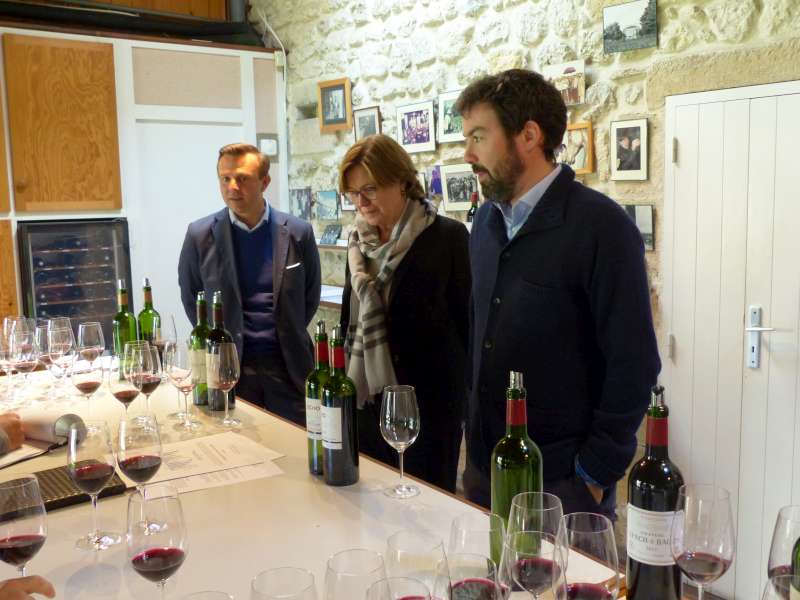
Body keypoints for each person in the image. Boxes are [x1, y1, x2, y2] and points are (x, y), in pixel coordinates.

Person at [456, 69, 660, 519]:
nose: (467, 153)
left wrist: (593, 474)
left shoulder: (602, 229)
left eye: (478, 136)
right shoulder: (485, 224)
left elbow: (635, 362)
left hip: (562, 484)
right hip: (485, 472)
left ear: (528, 135)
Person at [338, 134, 470, 493]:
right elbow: (345, 326)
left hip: (427, 409)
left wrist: (459, 409)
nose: (360, 202)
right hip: (366, 402)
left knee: (426, 508)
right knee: (369, 503)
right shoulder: (357, 246)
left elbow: (467, 328)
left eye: (370, 189)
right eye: (352, 194)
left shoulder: (448, 239)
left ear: (401, 181)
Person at [178, 143, 321, 426]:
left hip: (288, 366)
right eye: (225, 178)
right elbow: (192, 296)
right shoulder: (199, 235)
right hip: (227, 368)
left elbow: (309, 295)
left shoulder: (297, 232)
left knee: (294, 449)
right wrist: (217, 343)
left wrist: (284, 329)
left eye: (242, 178)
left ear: (264, 182)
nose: (232, 186)